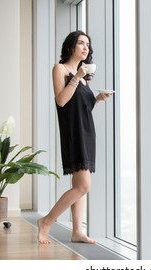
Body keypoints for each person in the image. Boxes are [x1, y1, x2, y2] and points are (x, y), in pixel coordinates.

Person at [37, 31, 111, 244]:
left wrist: (97, 98)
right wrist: (77, 77)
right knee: (83, 186)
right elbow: (61, 101)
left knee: (80, 184)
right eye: (81, 43)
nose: (85, 47)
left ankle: (77, 230)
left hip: (87, 132)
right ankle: (47, 221)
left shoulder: (84, 77)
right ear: (70, 47)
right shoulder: (60, 69)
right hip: (73, 133)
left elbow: (81, 108)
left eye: (88, 44)